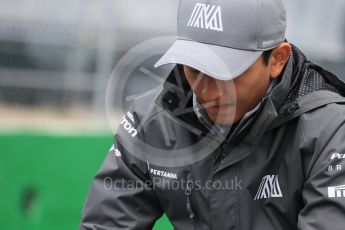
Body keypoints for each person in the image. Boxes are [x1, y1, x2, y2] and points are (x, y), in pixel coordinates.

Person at [80, 0, 345, 229]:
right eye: (195, 68)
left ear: (277, 59)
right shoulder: (149, 122)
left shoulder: (331, 132)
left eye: (225, 72)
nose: (207, 91)